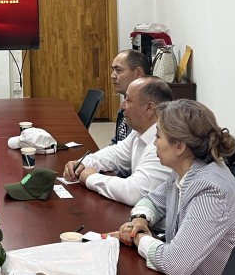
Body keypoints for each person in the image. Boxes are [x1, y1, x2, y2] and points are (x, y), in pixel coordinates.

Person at [108, 99, 235, 275]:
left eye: (158, 136)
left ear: (179, 146)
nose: (154, 143)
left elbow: (174, 263)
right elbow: (153, 201)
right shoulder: (185, 172)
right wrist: (140, 220)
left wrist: (139, 238)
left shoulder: (210, 189)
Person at [64, 76, 173, 205]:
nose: (122, 106)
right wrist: (84, 163)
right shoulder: (140, 132)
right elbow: (115, 154)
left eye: (128, 100)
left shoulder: (164, 143)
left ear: (149, 108)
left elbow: (134, 193)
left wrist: (91, 178)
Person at [110, 49, 151, 144]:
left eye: (118, 70)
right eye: (113, 70)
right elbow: (117, 143)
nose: (112, 76)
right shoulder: (125, 105)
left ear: (138, 73)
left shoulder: (145, 112)